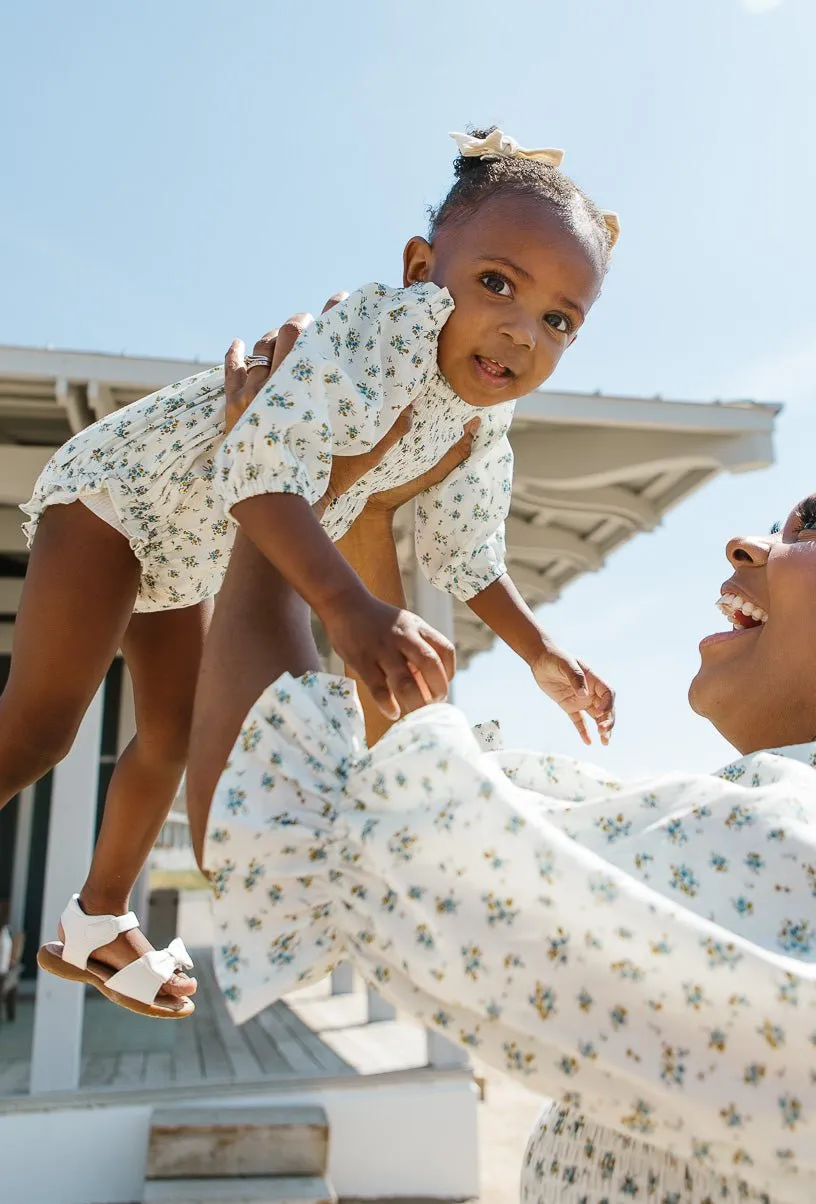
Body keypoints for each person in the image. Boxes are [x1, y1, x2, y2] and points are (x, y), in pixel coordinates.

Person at [24, 124, 618, 1016]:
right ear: (422, 268)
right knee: (41, 730)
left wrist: (541, 654)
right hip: (114, 500)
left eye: (559, 319)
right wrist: (345, 606)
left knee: (175, 730)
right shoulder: (372, 335)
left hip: (188, 553)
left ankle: (97, 920)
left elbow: (465, 553)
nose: (520, 329)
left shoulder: (479, 427)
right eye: (497, 283)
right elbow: (256, 466)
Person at [189, 488, 816, 1204]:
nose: (746, 542)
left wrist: (275, 479)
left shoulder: (781, 842)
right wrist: (367, 524)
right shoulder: (748, 843)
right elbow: (416, 807)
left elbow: (287, 817)